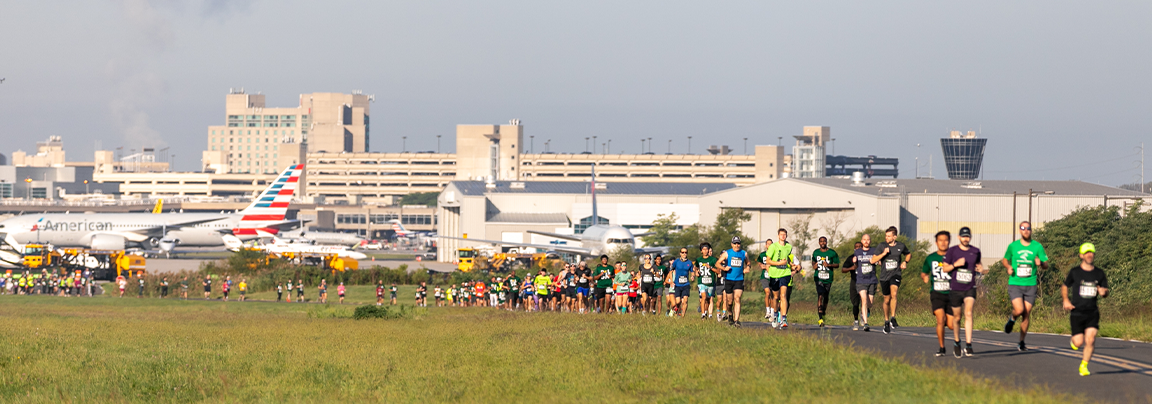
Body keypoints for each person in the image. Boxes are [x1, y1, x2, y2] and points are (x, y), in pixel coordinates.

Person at [1063, 243, 1109, 376]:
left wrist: (1103, 292)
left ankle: (1084, 365)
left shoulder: (1099, 273)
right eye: (1087, 252)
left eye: (1092, 252)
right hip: (1077, 311)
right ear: (1081, 255)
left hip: (1092, 312)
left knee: (1091, 339)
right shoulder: (1075, 272)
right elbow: (1065, 286)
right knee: (1078, 342)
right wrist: (1066, 300)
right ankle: (1073, 341)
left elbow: (1105, 291)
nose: (1090, 254)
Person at [1002, 221, 1049, 351]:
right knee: (1019, 310)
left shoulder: (1037, 246)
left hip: (1031, 284)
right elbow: (1005, 259)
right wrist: (1008, 267)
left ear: (1031, 231)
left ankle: (1021, 341)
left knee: (1026, 314)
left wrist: (1041, 264)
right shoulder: (1013, 246)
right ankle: (1012, 319)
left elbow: (1046, 265)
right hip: (1015, 283)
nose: (1026, 230)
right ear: (1020, 230)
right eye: (1023, 228)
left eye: (1028, 228)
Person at [942, 226, 986, 358]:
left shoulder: (975, 251)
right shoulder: (952, 251)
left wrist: (981, 268)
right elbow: (944, 268)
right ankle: (957, 342)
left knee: (968, 313)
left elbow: (979, 264)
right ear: (959, 237)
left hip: (969, 288)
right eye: (963, 236)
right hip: (955, 288)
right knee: (957, 317)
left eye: (967, 236)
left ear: (970, 238)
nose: (965, 239)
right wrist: (955, 265)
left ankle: (969, 345)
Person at [922, 231, 955, 357]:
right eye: (940, 240)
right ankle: (942, 348)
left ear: (949, 242)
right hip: (936, 293)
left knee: (952, 325)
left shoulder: (953, 257)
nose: (943, 242)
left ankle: (957, 341)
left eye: (945, 240)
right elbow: (924, 271)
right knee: (940, 319)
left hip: (952, 294)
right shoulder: (930, 258)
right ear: (936, 242)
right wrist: (925, 277)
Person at [874, 226, 911, 334]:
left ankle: (893, 317)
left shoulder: (900, 246)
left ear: (894, 237)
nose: (887, 238)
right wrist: (883, 254)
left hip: (896, 274)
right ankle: (886, 320)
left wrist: (905, 262)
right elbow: (873, 260)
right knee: (886, 299)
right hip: (884, 276)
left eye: (889, 236)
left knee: (894, 294)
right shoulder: (882, 246)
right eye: (886, 236)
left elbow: (908, 254)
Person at [764, 230, 798, 329]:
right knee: (775, 297)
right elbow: (768, 261)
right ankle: (774, 315)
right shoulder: (773, 246)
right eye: (781, 234)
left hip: (785, 273)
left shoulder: (789, 247)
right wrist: (779, 263)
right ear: (778, 236)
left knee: (783, 296)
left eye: (784, 234)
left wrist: (791, 264)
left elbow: (787, 258)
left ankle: (783, 318)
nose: (783, 236)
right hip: (774, 274)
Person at [715, 236, 750, 327]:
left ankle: (736, 320)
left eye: (738, 243)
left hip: (739, 279)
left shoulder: (744, 253)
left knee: (737, 298)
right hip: (729, 279)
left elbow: (748, 262)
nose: (736, 245)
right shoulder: (727, 253)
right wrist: (724, 268)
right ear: (732, 244)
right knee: (729, 302)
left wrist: (748, 267)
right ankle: (730, 314)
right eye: (735, 243)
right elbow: (717, 263)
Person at [812, 236, 840, 327]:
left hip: (828, 278)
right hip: (818, 277)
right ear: (819, 242)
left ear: (826, 242)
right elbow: (813, 262)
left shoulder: (832, 252)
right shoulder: (816, 252)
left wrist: (829, 265)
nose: (823, 243)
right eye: (821, 241)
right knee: (820, 295)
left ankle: (823, 313)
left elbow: (837, 265)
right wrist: (814, 265)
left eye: (824, 241)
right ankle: (820, 318)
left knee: (826, 297)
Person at [854, 235, 879, 332]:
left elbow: (878, 260)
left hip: (872, 279)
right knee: (863, 300)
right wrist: (854, 261)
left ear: (870, 241)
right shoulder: (857, 252)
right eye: (864, 240)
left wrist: (878, 261)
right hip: (861, 280)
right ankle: (865, 323)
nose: (866, 241)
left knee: (870, 303)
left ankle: (864, 312)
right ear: (861, 241)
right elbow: (855, 263)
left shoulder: (874, 251)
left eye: (868, 239)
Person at [669, 247, 694, 317]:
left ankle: (683, 316)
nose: (684, 254)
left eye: (685, 252)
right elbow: (670, 271)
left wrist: (692, 276)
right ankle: (677, 312)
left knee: (685, 300)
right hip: (677, 284)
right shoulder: (676, 262)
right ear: (680, 253)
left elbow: (692, 271)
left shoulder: (689, 263)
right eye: (682, 252)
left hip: (686, 284)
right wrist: (671, 281)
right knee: (678, 301)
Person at [695, 243, 718, 319]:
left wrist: (710, 267)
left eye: (706, 249)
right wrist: (696, 272)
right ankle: (703, 314)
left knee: (708, 299)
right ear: (701, 251)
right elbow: (695, 267)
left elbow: (718, 271)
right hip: (701, 281)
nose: (705, 251)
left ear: (709, 250)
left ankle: (705, 312)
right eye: (703, 249)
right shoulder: (698, 260)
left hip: (710, 282)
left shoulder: (713, 260)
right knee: (703, 297)